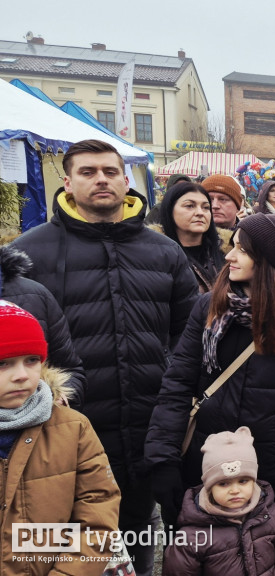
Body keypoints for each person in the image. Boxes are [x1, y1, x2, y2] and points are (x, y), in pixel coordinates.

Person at [11, 139, 198, 575]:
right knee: (66, 540)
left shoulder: (164, 252)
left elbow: (189, 335)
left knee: (138, 530)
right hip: (66, 430)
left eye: (110, 171)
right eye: (88, 171)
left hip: (149, 423)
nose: (101, 180)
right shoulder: (31, 252)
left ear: (126, 178)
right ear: (67, 181)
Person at [145, 213, 275, 559]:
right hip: (205, 462)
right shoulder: (208, 307)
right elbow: (177, 385)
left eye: (242, 250)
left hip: (274, 468)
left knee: (266, 559)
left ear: (268, 262)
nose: (229, 256)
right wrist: (162, 459)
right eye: (231, 246)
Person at [0, 302, 121, 575]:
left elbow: (98, 514)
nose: (21, 375)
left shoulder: (72, 428)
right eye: (3, 363)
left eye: (32, 360)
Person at [162, 427, 275, 576]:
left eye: (243, 481)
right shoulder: (192, 536)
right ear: (209, 487)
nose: (235, 490)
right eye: (223, 483)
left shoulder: (272, 515)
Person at [0, 246, 87, 405]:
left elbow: (70, 370)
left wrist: (56, 404)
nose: (21, 375)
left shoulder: (35, 295)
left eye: (32, 360)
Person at [157, 181, 228, 294]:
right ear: (170, 210)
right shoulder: (156, 255)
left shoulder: (228, 251)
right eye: (189, 206)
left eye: (205, 207)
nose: (200, 213)